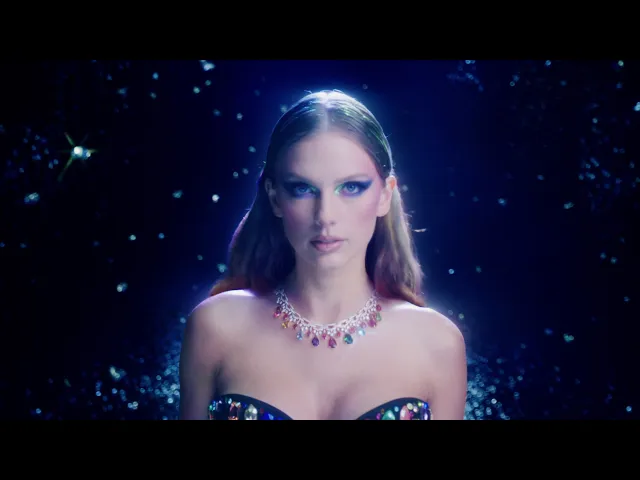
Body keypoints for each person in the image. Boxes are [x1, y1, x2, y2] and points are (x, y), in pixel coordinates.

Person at [179, 90, 468, 420]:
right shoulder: (215, 328)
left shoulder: (437, 344)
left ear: (385, 195)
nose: (325, 215)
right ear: (274, 198)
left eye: (351, 187)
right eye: (302, 188)